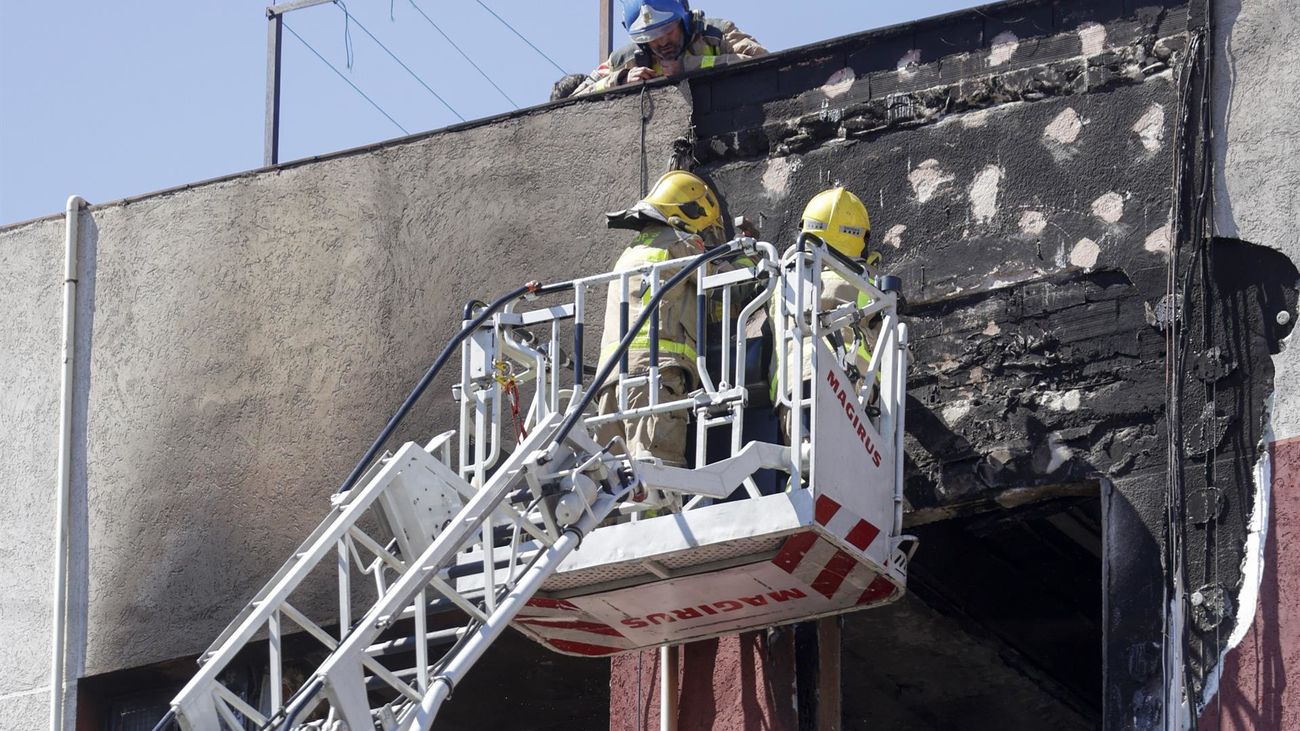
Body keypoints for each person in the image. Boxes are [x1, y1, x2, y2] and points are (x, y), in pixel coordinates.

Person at [595, 170, 726, 467]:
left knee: (613, 483)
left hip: (611, 381)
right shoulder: (681, 245)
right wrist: (747, 259)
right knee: (656, 474)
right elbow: (723, 285)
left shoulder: (633, 251)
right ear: (693, 212)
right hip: (654, 376)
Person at [771, 187, 880, 441]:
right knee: (841, 463)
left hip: (792, 388)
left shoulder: (782, 282)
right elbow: (893, 349)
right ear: (858, 237)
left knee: (803, 462)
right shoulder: (865, 283)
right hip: (845, 386)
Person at [573, 0, 767, 96]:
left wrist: (689, 66)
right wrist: (620, 79)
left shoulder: (717, 34)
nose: (662, 42)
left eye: (668, 29)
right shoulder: (625, 59)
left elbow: (763, 63)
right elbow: (573, 100)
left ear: (683, 20)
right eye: (650, 36)